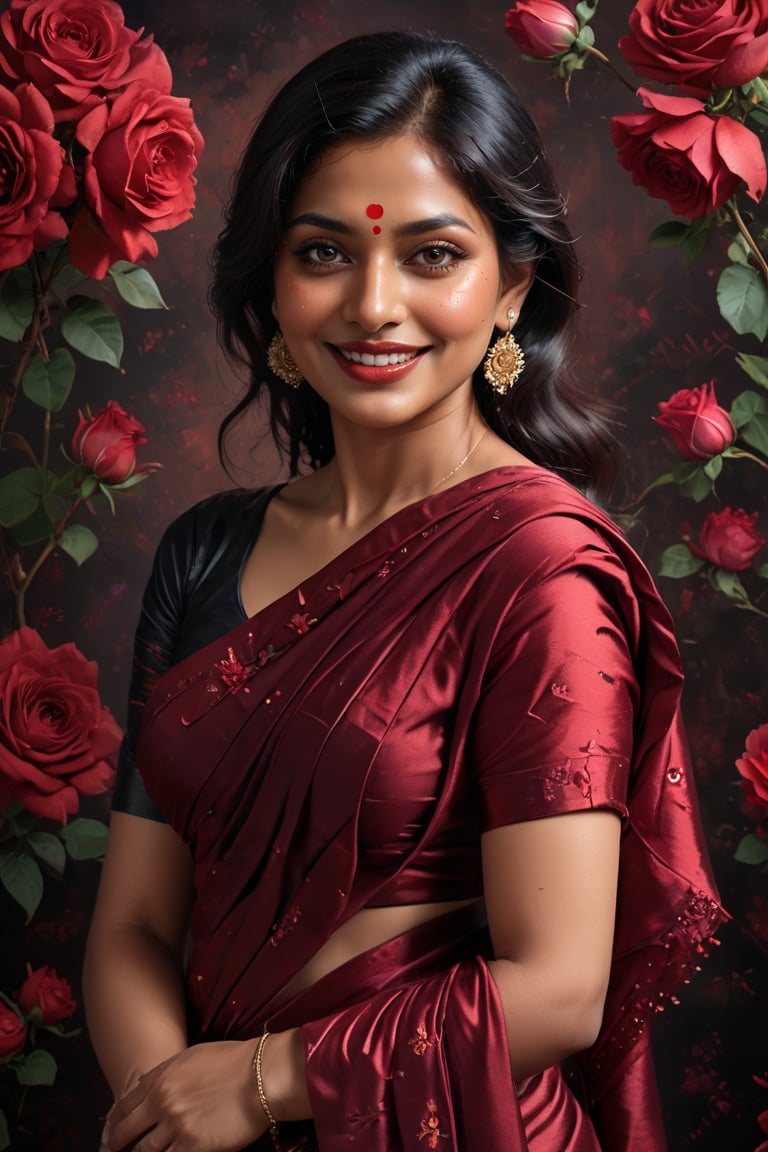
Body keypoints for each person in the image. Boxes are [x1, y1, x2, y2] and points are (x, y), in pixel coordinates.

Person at [84, 30, 723, 1152]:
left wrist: (258, 1089)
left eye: (432, 256)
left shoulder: (539, 567)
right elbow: (135, 922)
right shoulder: (203, 550)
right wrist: (167, 1110)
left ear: (512, 288)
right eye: (326, 253)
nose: (374, 306)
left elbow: (561, 988)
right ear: (273, 285)